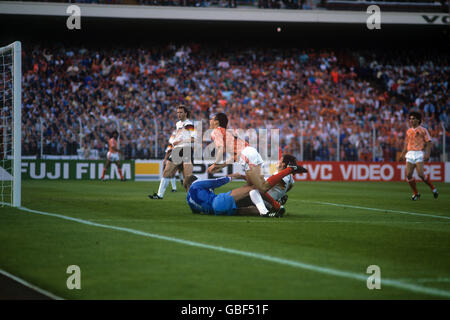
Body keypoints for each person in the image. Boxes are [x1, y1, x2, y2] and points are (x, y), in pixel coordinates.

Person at [206, 112, 307, 215]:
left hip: (247, 155)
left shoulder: (215, 131)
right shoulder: (228, 133)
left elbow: (220, 148)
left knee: (262, 187)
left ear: (216, 122)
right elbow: (235, 155)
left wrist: (215, 164)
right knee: (252, 185)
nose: (210, 120)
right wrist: (221, 165)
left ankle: (289, 171)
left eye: (212, 118)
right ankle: (273, 205)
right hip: (250, 152)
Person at [149, 105, 196, 199]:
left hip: (186, 150)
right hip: (177, 150)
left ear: (185, 113)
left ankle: (192, 198)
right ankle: (159, 195)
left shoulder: (189, 124)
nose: (178, 114)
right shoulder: (178, 124)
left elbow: (193, 139)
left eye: (181, 112)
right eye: (178, 112)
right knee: (166, 171)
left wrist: (180, 141)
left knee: (187, 177)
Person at [184, 175, 283, 217]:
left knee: (247, 210)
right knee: (252, 187)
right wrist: (232, 177)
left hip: (216, 212)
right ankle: (275, 205)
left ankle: (270, 212)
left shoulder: (188, 199)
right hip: (217, 201)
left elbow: (196, 211)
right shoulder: (197, 184)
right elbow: (216, 182)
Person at [399, 112, 438, 200]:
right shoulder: (408, 131)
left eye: (413, 118)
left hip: (418, 153)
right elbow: (406, 143)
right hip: (410, 154)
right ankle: (416, 193)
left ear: (418, 120)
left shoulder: (423, 130)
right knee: (408, 175)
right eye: (410, 119)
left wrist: (428, 154)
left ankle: (433, 188)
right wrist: (402, 154)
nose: (411, 120)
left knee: (420, 174)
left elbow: (428, 142)